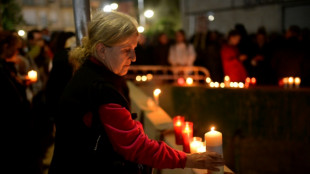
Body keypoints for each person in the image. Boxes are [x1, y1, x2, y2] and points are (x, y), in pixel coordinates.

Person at [48, 11, 223, 174]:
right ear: (101, 49)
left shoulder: (88, 73)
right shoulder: (100, 90)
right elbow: (137, 147)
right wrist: (188, 159)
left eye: (134, 48)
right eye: (126, 50)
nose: (134, 57)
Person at [0, 30, 40, 174]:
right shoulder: (3, 68)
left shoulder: (6, 67)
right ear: (5, 47)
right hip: (11, 128)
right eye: (15, 48)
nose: (17, 52)